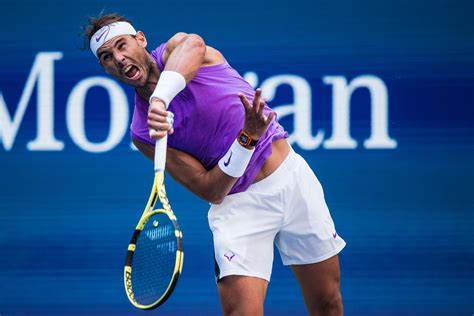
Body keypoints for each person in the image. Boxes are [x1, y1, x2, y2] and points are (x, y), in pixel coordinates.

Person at [83, 12, 346, 315]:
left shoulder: (179, 48)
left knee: (328, 304)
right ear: (104, 67)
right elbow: (211, 190)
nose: (118, 58)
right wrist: (247, 138)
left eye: (122, 45)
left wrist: (160, 99)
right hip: (238, 208)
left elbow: (193, 45)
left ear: (140, 39)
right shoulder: (143, 132)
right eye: (106, 56)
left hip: (292, 179)